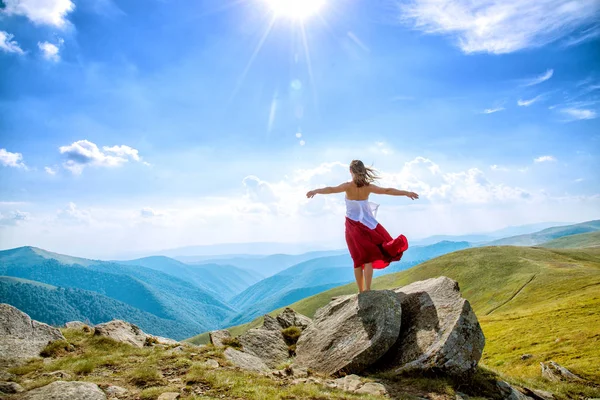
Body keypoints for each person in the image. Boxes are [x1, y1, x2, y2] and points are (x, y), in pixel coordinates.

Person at [306, 160, 419, 293]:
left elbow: (331, 189)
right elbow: (387, 190)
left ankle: (361, 292)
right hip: (368, 226)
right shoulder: (368, 187)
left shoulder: (347, 186)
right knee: (368, 258)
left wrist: (315, 191)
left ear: (350, 171)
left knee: (357, 259)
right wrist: (406, 193)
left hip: (353, 227)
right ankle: (368, 289)